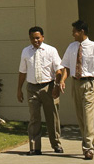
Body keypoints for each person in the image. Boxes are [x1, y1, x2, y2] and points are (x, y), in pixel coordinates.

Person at [56, 19, 94, 160]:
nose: (72, 34)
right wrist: (62, 80)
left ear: (81, 32)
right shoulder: (72, 47)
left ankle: (87, 148)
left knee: (88, 115)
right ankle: (92, 141)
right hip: (76, 83)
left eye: (74, 31)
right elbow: (67, 67)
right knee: (80, 117)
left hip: (90, 83)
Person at [17, 25, 63, 155]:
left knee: (52, 117)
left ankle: (56, 144)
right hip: (32, 87)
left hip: (48, 87)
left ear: (42, 37)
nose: (35, 41)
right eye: (32, 38)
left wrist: (57, 86)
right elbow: (22, 71)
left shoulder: (51, 50)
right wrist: (19, 89)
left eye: (38, 38)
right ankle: (35, 147)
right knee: (34, 117)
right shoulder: (26, 51)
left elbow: (58, 69)